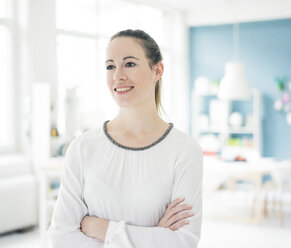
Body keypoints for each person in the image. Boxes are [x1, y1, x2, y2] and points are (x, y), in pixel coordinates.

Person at [48, 29, 203, 248]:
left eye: (129, 64)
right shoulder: (83, 148)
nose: (117, 75)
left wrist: (101, 228)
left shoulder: (184, 150)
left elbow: (182, 242)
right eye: (110, 66)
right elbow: (61, 237)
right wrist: (154, 236)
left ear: (157, 70)